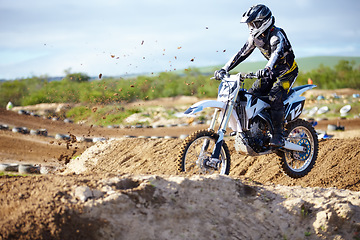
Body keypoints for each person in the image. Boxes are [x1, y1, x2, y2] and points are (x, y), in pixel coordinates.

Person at [214, 4, 298, 147]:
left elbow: (276, 55)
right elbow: (241, 54)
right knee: (251, 94)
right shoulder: (255, 37)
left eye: (254, 23)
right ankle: (249, 129)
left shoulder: (276, 36)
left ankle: (278, 135)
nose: (252, 27)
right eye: (250, 24)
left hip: (287, 73)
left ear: (264, 22)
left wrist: (267, 68)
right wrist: (224, 68)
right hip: (270, 72)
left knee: (275, 95)